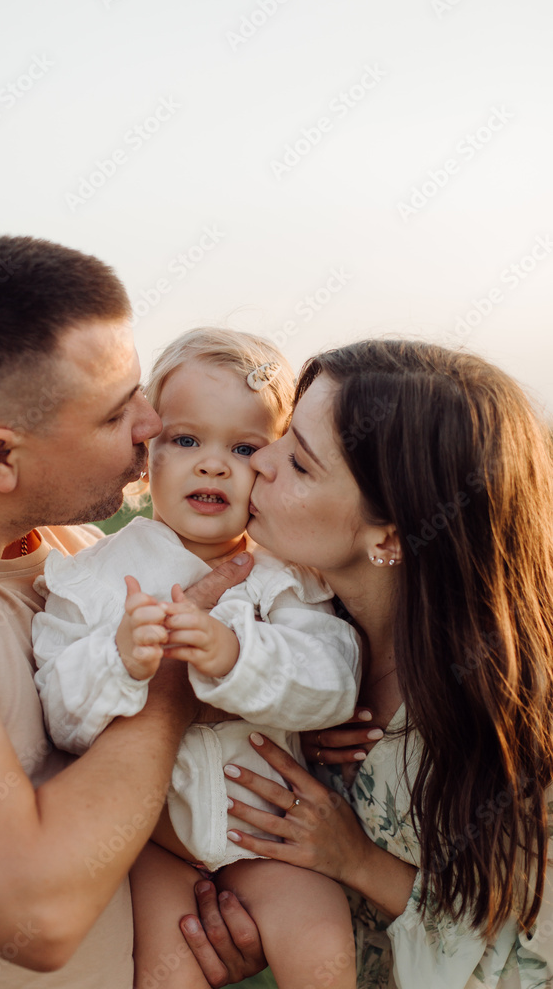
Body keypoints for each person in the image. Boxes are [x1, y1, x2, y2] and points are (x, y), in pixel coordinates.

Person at [0, 236, 259, 988]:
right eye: (118, 412)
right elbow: (38, 916)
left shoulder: (81, 550)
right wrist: (170, 687)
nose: (153, 424)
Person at [183, 339, 553, 988]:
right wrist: (256, 917)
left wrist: (355, 860)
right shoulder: (283, 631)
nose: (256, 461)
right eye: (279, 436)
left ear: (388, 536)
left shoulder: (517, 721)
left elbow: (527, 967)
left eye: (298, 462)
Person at [32, 327, 361, 988]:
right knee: (164, 969)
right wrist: (120, 661)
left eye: (243, 448)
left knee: (321, 945)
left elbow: (332, 680)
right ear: (144, 455)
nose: (212, 464)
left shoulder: (284, 578)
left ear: (271, 466)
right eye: (185, 440)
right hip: (152, 841)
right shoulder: (90, 581)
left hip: (269, 835)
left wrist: (237, 656)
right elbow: (59, 715)